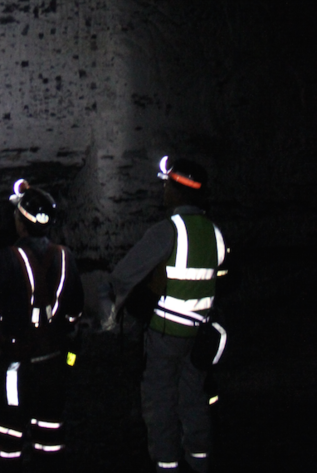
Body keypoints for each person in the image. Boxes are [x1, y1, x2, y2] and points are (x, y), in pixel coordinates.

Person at [107, 157, 227, 473]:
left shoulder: (168, 231)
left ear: (177, 190)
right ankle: (199, 461)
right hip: (199, 336)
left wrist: (142, 292)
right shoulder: (215, 233)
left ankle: (167, 464)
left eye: (167, 184)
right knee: (194, 398)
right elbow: (223, 279)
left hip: (165, 335)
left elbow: (122, 275)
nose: (163, 190)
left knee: (160, 401)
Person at [0, 179, 84, 473]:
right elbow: (75, 312)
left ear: (21, 221)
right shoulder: (66, 257)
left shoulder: (6, 259)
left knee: (8, 435)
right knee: (49, 434)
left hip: (16, 364)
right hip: (54, 363)